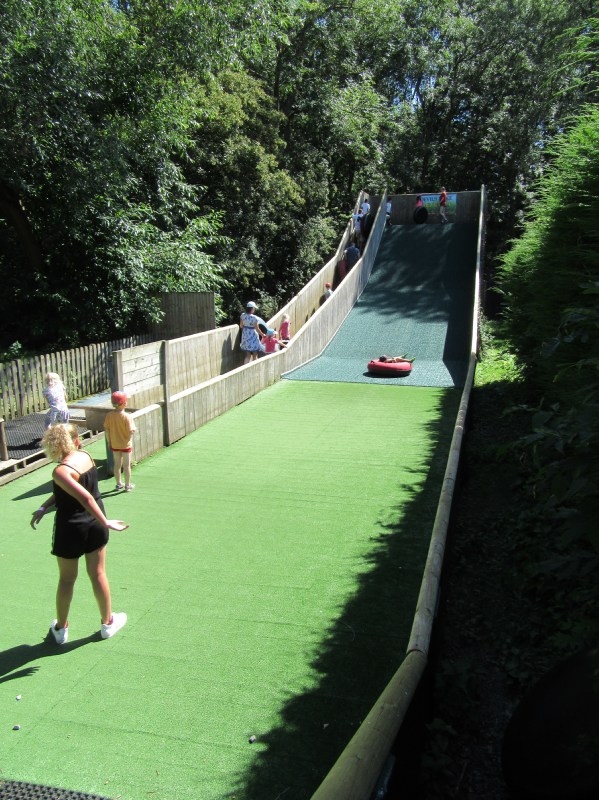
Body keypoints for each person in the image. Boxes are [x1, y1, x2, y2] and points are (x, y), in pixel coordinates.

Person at [30, 423, 128, 644]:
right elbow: (71, 492)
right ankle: (108, 624)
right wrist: (44, 506)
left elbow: (84, 497)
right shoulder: (86, 456)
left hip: (70, 529)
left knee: (67, 579)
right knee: (98, 573)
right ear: (75, 440)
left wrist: (106, 522)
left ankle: (60, 629)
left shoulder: (60, 471)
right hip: (95, 524)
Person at [103, 391, 136, 491]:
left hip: (115, 445)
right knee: (126, 466)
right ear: (124, 403)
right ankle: (127, 485)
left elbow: (107, 431)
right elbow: (131, 431)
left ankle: (118, 484)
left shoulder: (109, 416)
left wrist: (109, 442)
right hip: (126, 445)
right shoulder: (127, 416)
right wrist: (127, 438)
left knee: (117, 465)